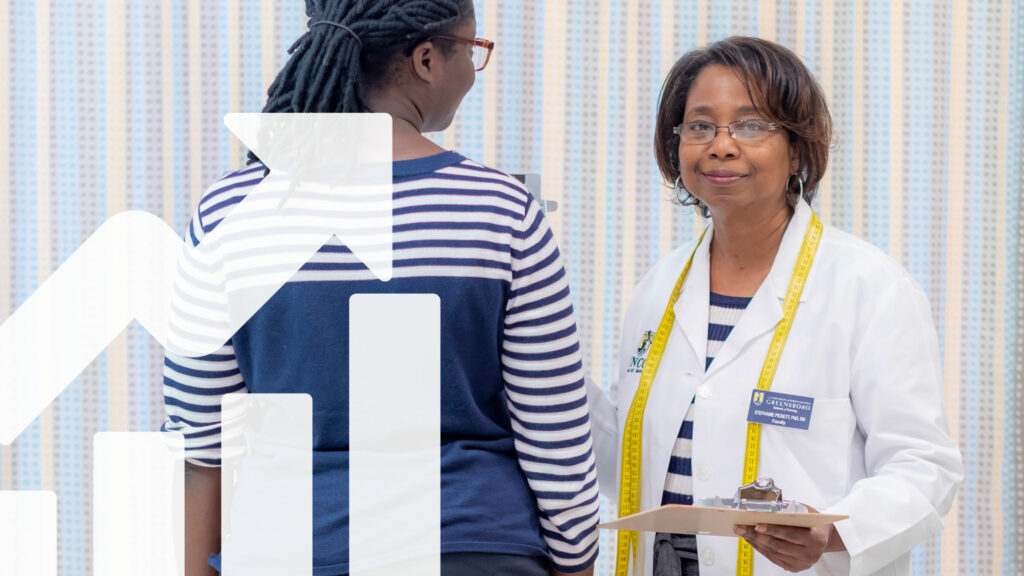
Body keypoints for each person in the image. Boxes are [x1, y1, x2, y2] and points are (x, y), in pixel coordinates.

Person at [162, 2, 599, 575]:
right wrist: (577, 564)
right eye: (472, 51)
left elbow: (200, 437)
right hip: (472, 548)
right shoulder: (501, 210)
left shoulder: (230, 209)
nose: (472, 71)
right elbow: (556, 439)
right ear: (425, 59)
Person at [587, 36, 962, 575]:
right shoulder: (659, 286)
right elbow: (626, 457)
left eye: (750, 124)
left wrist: (834, 529)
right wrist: (546, 359)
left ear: (798, 148)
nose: (720, 144)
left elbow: (926, 466)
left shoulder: (869, 287)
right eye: (699, 126)